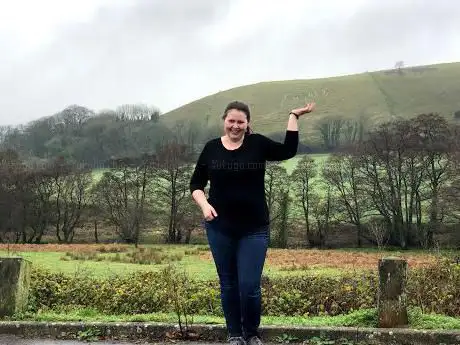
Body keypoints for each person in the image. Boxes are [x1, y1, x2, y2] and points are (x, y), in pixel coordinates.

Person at [189, 100, 315, 345]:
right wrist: (204, 205)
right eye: (231, 121)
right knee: (228, 283)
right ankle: (235, 334)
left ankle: (252, 333)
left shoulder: (257, 144)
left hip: (254, 228)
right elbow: (196, 184)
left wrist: (293, 116)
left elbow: (288, 151)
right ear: (224, 121)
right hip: (220, 228)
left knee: (249, 285)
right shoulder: (211, 148)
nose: (235, 126)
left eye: (241, 122)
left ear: (248, 124)